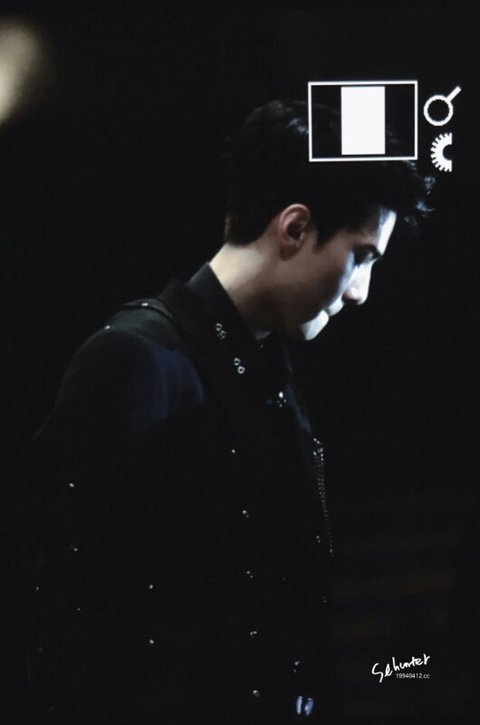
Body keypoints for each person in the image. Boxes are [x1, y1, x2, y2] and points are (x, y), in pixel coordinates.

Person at [24, 99, 433, 724]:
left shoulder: (270, 373)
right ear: (295, 228)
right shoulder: (133, 361)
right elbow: (59, 619)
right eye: (361, 256)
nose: (360, 292)